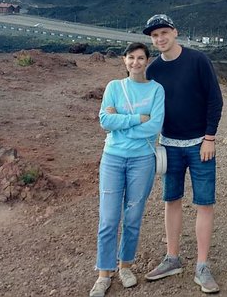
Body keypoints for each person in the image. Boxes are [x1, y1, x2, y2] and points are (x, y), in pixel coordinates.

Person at [141, 14, 224, 294]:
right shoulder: (153, 71)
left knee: (204, 203)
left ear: (175, 32)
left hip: (200, 143)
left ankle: (202, 265)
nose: (160, 38)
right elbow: (147, 108)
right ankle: (172, 258)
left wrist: (210, 138)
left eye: (164, 32)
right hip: (169, 145)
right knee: (171, 200)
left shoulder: (198, 61)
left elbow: (215, 99)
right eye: (154, 36)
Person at [90, 42, 165, 297]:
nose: (135, 62)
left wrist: (120, 122)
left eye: (140, 58)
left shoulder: (156, 90)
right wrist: (136, 118)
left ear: (147, 61)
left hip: (142, 160)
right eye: (131, 57)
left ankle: (126, 266)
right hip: (112, 158)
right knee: (109, 219)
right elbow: (104, 121)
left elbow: (154, 127)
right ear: (124, 60)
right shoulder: (114, 87)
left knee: (132, 218)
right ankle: (104, 274)